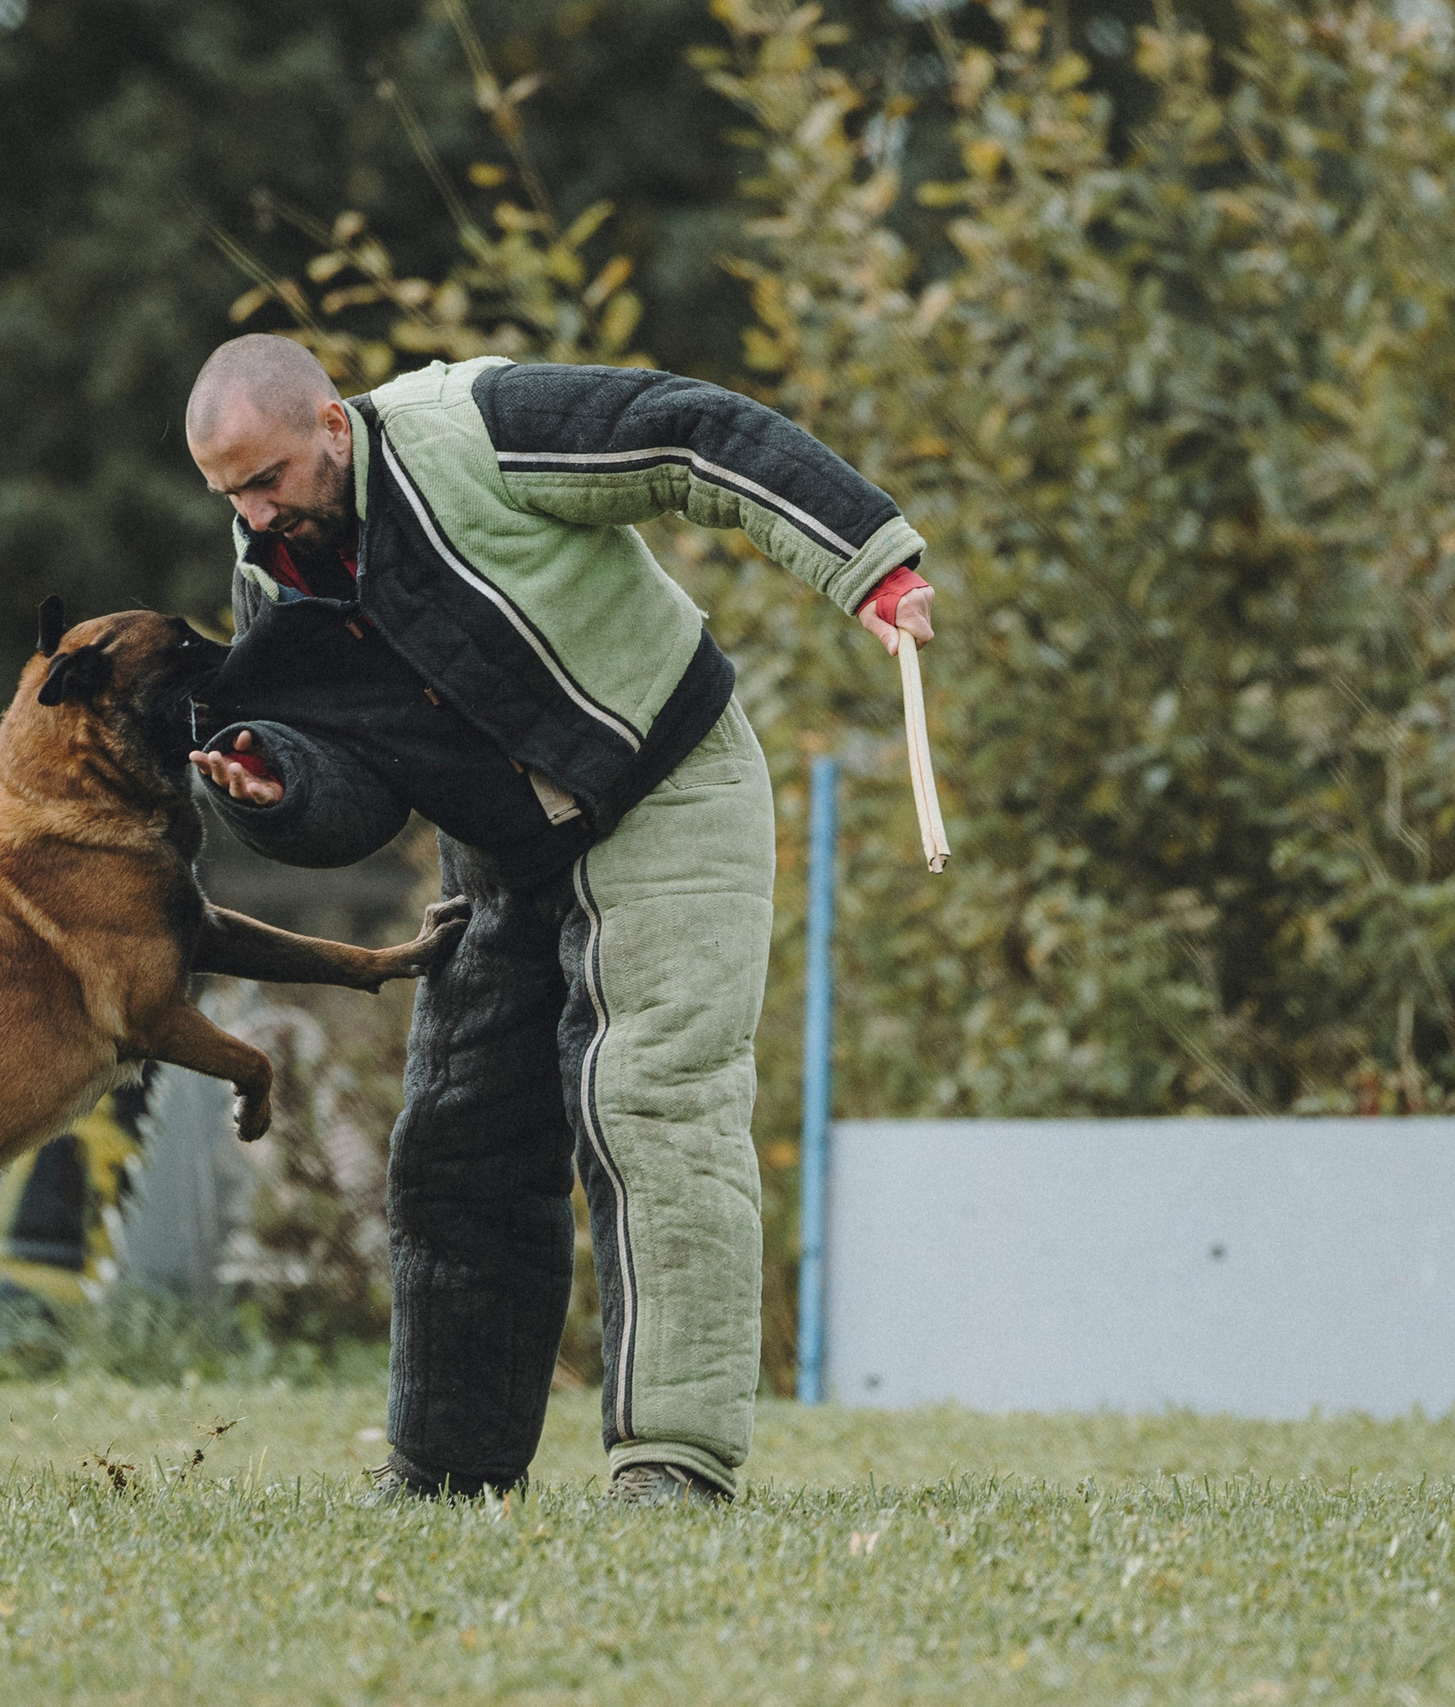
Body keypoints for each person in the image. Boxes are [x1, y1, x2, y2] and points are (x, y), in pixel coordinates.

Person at [182, 334, 934, 1505]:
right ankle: (447, 1472)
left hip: (665, 782)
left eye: (267, 478)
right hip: (503, 847)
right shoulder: (273, 568)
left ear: (332, 424)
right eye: (228, 493)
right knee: (453, 1142)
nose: (256, 513)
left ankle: (672, 1462)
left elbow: (691, 432)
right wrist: (280, 787)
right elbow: (361, 780)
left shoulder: (473, 426)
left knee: (650, 1099)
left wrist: (868, 566)